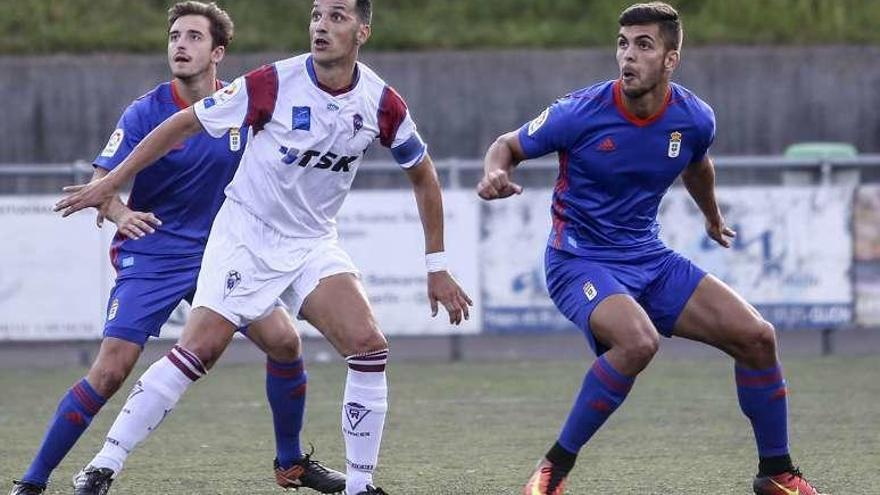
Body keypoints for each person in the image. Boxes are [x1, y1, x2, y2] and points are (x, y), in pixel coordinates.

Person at [55, 0, 473, 493]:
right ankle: (104, 463)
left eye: (337, 17)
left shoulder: (382, 103)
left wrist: (437, 266)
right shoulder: (272, 83)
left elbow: (424, 177)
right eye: (317, 15)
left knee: (368, 347)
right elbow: (181, 124)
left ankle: (361, 486)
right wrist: (113, 184)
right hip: (246, 236)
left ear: (363, 31)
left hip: (312, 241)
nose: (321, 25)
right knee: (200, 350)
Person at [478, 3, 825, 495]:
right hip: (579, 260)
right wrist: (496, 173)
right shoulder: (579, 112)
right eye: (623, 43)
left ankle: (777, 472)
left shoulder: (694, 117)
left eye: (644, 45)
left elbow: (697, 165)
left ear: (670, 58)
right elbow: (506, 145)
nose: (628, 56)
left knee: (758, 337)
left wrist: (711, 215)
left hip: (650, 261)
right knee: (638, 342)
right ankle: (553, 469)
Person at [10, 2, 345, 495]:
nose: (180, 46)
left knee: (286, 343)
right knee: (110, 371)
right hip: (154, 254)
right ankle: (33, 483)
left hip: (223, 255)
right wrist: (122, 214)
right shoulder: (146, 110)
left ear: (217, 52)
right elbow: (103, 184)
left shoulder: (243, 106)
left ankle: (290, 463)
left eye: (192, 37)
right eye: (174, 37)